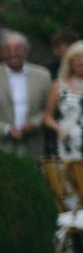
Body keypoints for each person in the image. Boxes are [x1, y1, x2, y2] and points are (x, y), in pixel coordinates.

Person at [1, 32, 53, 160]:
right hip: (2, 145)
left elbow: (48, 108)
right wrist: (7, 129)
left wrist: (34, 124)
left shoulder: (43, 75)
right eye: (7, 49)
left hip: (33, 144)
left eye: (18, 49)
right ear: (1, 52)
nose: (12, 53)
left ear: (26, 51)